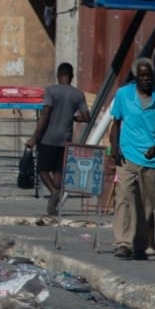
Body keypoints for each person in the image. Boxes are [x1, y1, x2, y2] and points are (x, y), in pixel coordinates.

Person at [110, 57, 155, 261]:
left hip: (151, 160)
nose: (146, 79)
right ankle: (123, 243)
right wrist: (114, 148)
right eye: (142, 76)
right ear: (135, 77)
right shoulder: (123, 95)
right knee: (124, 198)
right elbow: (116, 123)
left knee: (146, 204)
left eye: (149, 76)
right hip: (127, 156)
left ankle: (140, 244)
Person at [28, 63, 90, 217]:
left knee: (42, 169)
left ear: (58, 75)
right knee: (58, 171)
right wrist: (74, 117)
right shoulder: (78, 94)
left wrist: (35, 136)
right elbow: (87, 117)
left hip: (48, 138)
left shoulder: (50, 91)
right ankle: (54, 206)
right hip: (65, 139)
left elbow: (46, 113)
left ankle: (54, 192)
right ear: (71, 76)